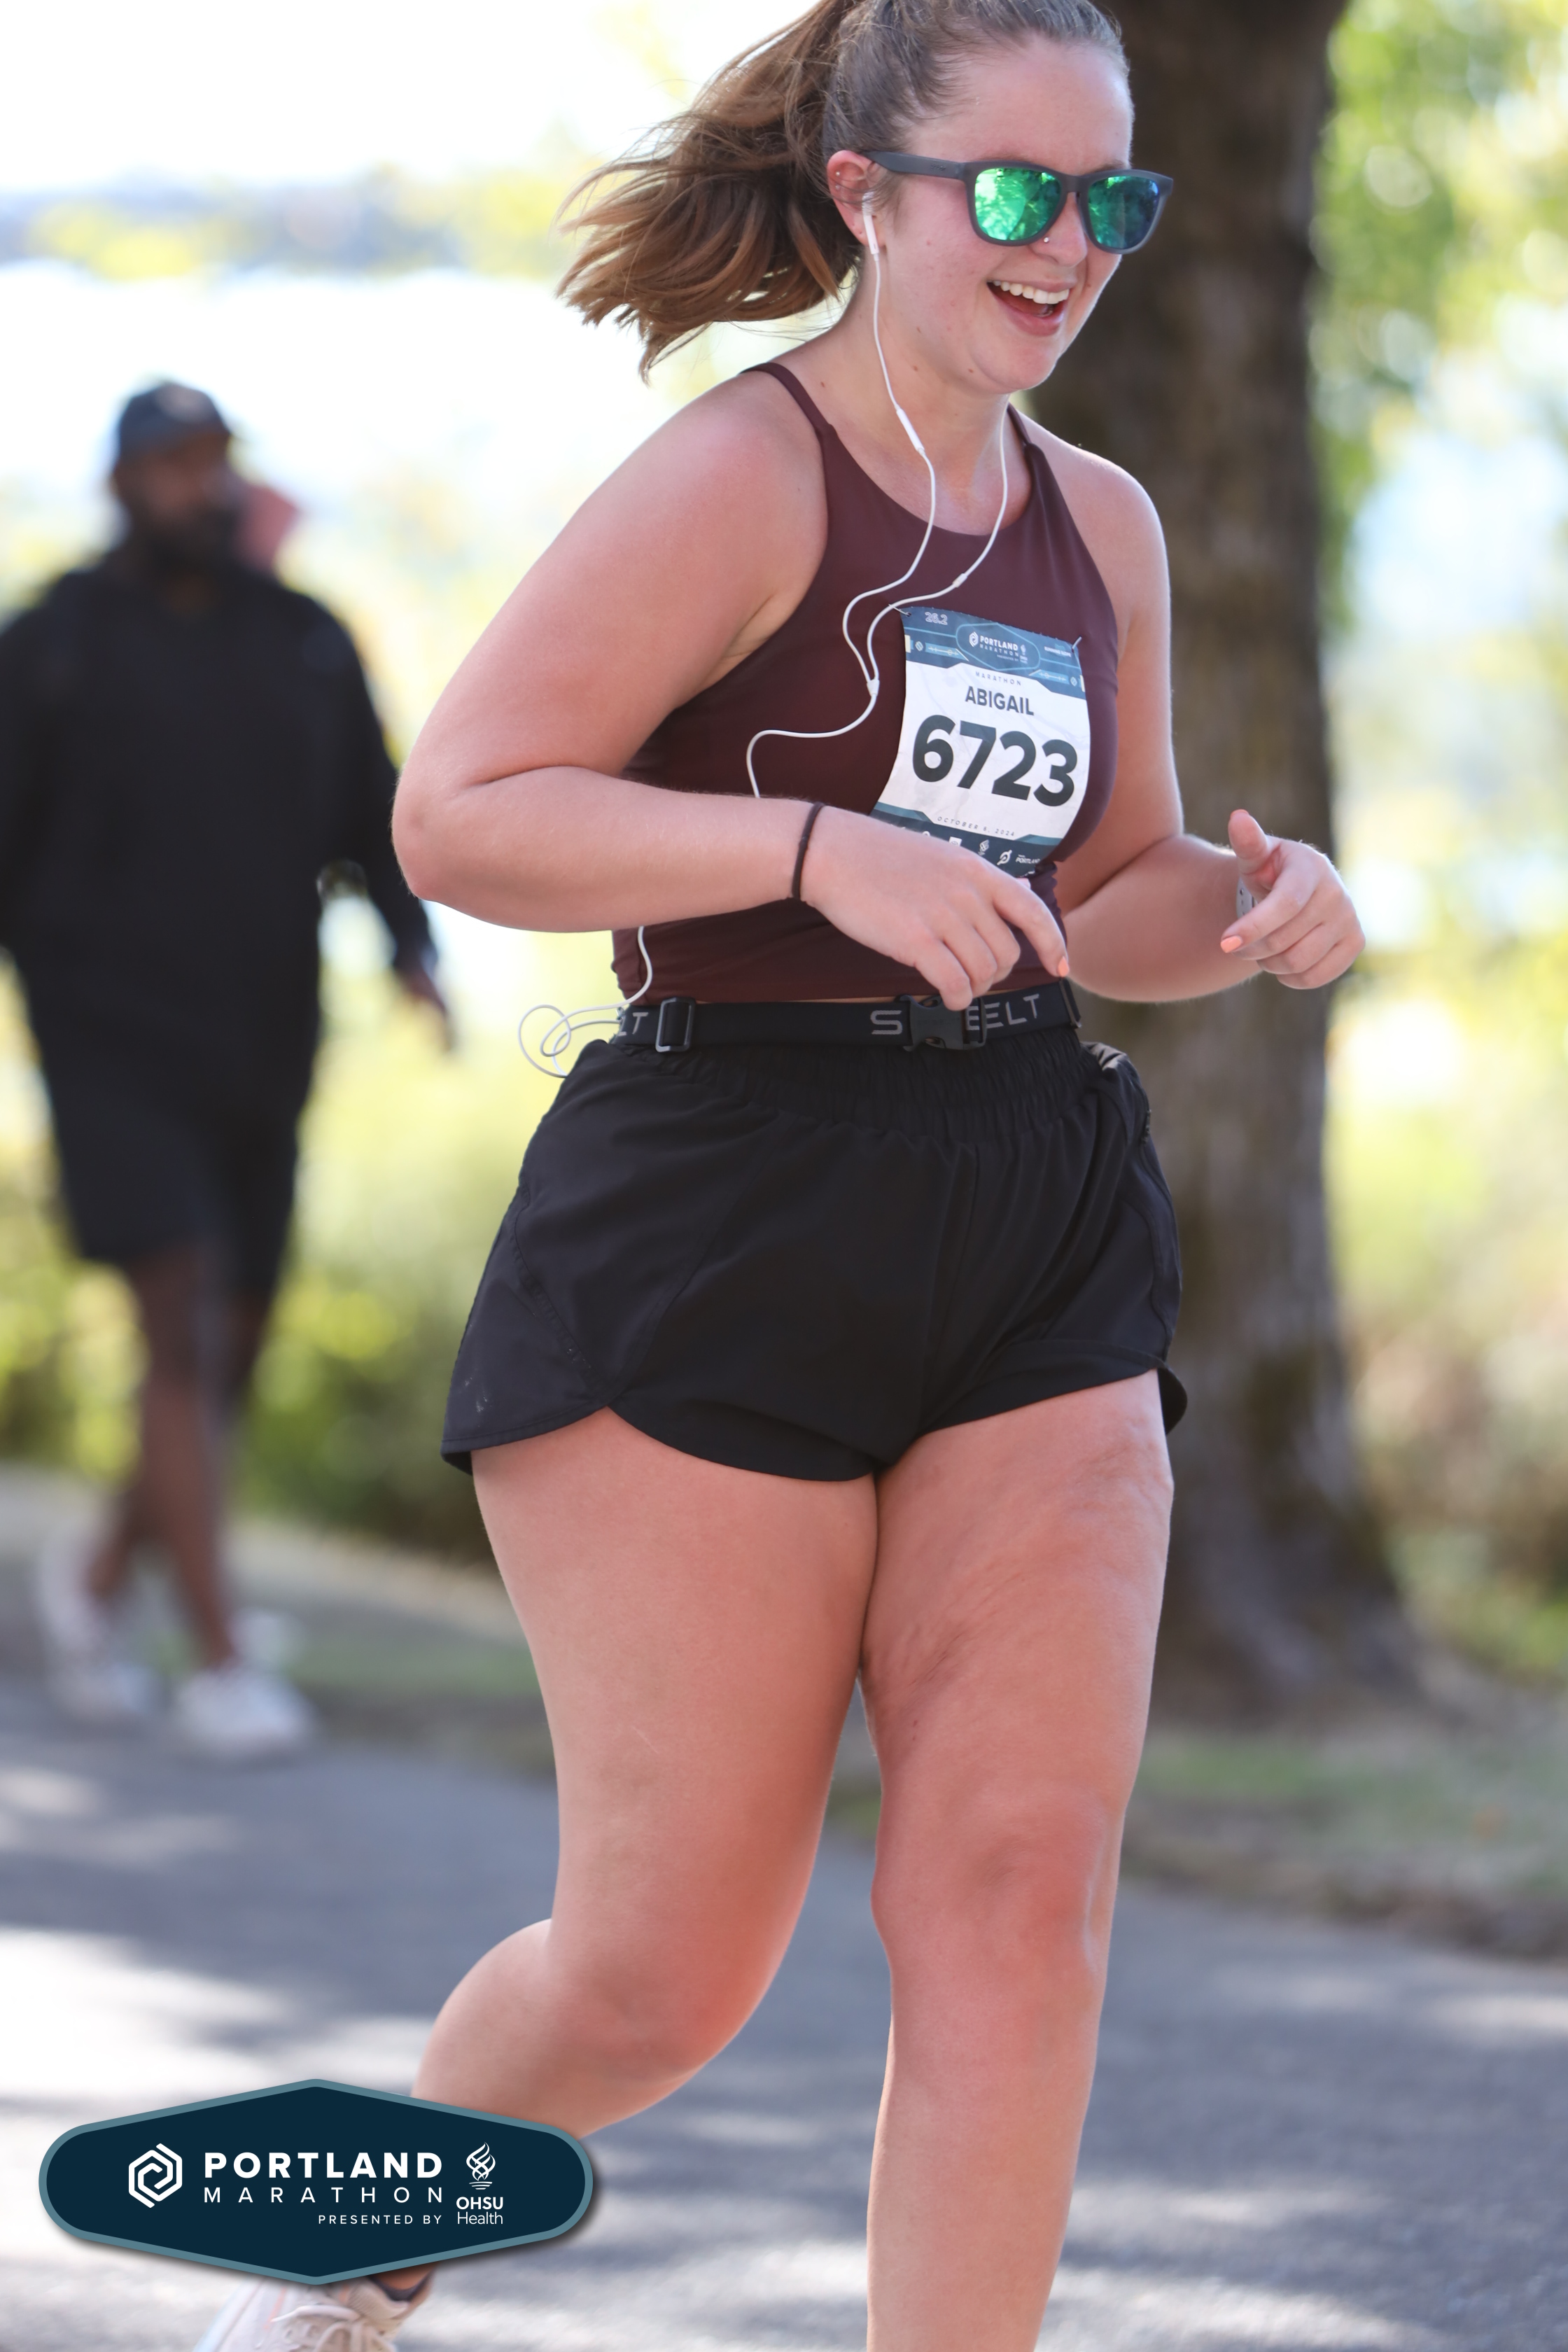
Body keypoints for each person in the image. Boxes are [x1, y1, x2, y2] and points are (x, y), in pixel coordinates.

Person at [192, 0, 1364, 2340]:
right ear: (866, 195)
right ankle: (348, 2255)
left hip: (1029, 1209)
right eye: (1013, 190)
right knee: (662, 1973)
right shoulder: (745, 477)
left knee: (1019, 1902)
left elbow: (1108, 890)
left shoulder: (1100, 524)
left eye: (1111, 198)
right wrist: (812, 850)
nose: (1069, 244)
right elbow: (462, 811)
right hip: (723, 1207)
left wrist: (1249, 912)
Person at [0, 381, 447, 1761]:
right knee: (181, 1320)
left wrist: (413, 951)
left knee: (237, 1340)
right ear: (122, 484)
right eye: (174, 466)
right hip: (107, 1040)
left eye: (215, 464)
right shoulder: (52, 643)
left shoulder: (302, 635)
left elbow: (375, 810)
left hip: (264, 1036)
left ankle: (91, 1584)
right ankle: (220, 1660)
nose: (200, 488)